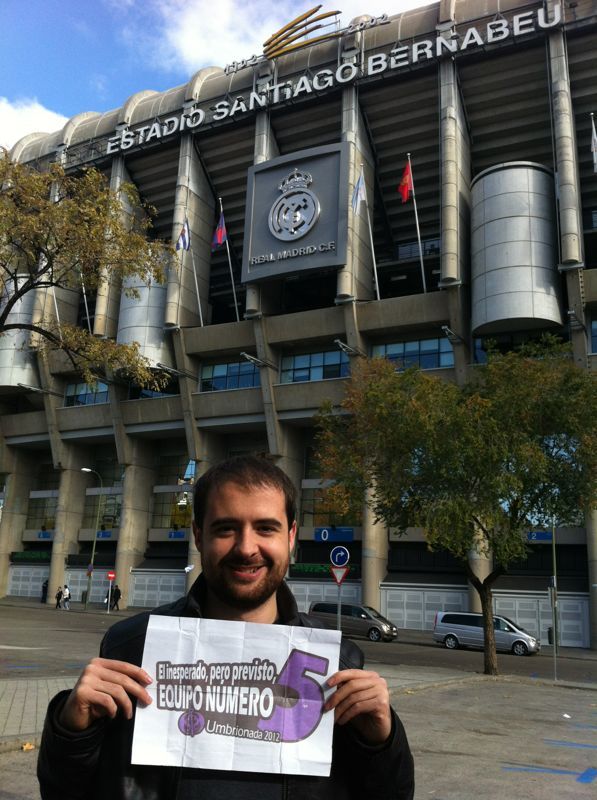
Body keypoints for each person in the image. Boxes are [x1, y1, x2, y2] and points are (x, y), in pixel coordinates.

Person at [38, 456, 414, 799]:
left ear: (291, 536)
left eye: (266, 528)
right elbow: (65, 793)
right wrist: (71, 730)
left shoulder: (339, 666)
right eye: (226, 529)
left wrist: (382, 741)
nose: (246, 547)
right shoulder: (131, 647)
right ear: (198, 535)